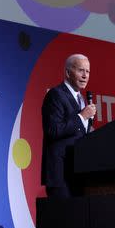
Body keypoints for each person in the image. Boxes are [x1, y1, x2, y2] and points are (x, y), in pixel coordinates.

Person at [41, 54, 96, 198]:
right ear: (67, 72)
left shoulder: (81, 99)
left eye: (88, 71)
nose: (85, 76)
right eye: (80, 70)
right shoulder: (55, 95)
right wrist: (82, 117)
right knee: (64, 220)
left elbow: (76, 132)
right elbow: (53, 130)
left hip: (78, 172)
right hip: (61, 175)